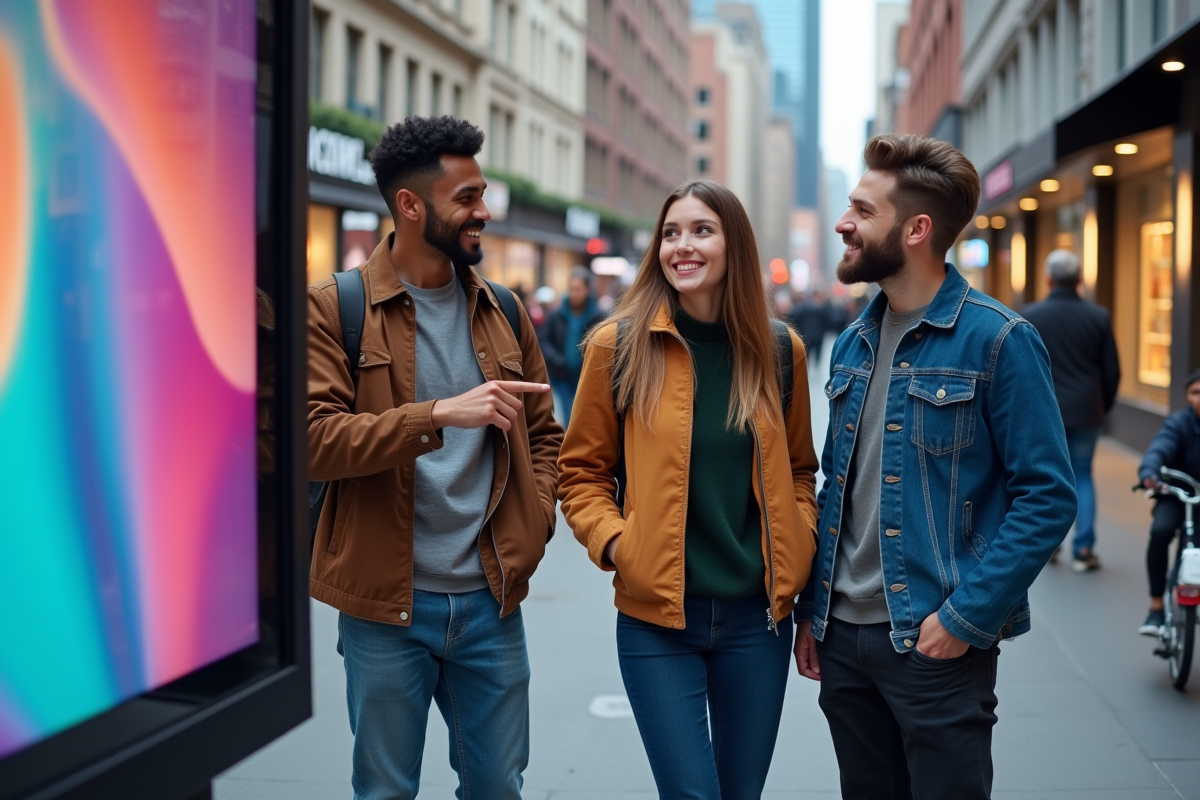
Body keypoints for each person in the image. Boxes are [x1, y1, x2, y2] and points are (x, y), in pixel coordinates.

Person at [793, 134, 1076, 800]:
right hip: (844, 641)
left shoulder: (999, 339)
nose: (843, 224)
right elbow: (843, 485)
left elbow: (1047, 496)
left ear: (916, 229)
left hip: (932, 641)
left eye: (862, 211)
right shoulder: (855, 341)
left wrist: (963, 619)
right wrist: (815, 609)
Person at [306, 116, 563, 800]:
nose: (483, 211)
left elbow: (544, 436)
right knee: (386, 790)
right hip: (386, 607)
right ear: (410, 206)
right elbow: (315, 441)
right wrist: (438, 415)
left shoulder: (504, 310)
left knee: (497, 788)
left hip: (491, 602)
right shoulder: (337, 308)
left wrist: (533, 526)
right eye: (468, 197)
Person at [558, 180, 820, 799]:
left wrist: (799, 542)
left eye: (702, 230)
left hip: (758, 623)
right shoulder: (616, 345)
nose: (683, 246)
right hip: (656, 623)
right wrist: (621, 545)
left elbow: (802, 470)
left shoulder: (780, 351)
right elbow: (581, 473)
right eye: (671, 232)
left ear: (736, 246)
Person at [1022, 249, 1120, 572]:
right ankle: (1084, 548)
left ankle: (1050, 545)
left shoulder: (1031, 315)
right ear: (1079, 280)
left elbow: (1019, 370)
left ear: (1048, 279)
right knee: (1083, 475)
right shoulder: (1098, 316)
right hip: (1086, 410)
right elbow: (1111, 371)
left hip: (1043, 411)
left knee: (1046, 478)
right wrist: (1100, 407)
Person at [1137, 368, 1200, 635]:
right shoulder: (1179, 423)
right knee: (1160, 531)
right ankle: (1155, 608)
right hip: (1177, 494)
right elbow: (1159, 448)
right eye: (1196, 392)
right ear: (1186, 396)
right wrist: (1150, 473)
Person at [540, 267, 607, 427]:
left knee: (585, 417)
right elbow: (543, 340)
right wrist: (556, 359)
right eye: (571, 289)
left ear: (587, 290)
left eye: (578, 289)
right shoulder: (556, 315)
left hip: (586, 376)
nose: (574, 293)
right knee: (567, 416)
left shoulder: (598, 315)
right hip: (561, 376)